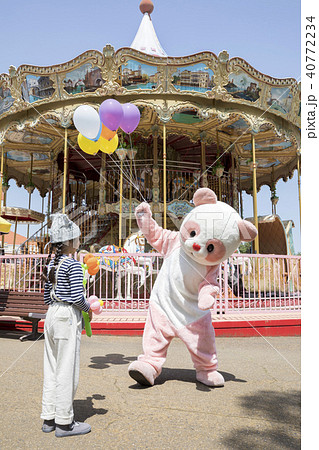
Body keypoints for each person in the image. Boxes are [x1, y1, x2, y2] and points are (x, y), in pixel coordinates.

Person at [40, 213, 92, 437]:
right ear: (70, 242)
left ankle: (48, 418)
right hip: (66, 316)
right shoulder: (73, 265)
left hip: (51, 314)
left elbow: (46, 297)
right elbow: (77, 297)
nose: (80, 241)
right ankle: (64, 423)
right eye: (77, 238)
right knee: (66, 369)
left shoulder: (52, 263)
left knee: (51, 367)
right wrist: (89, 308)